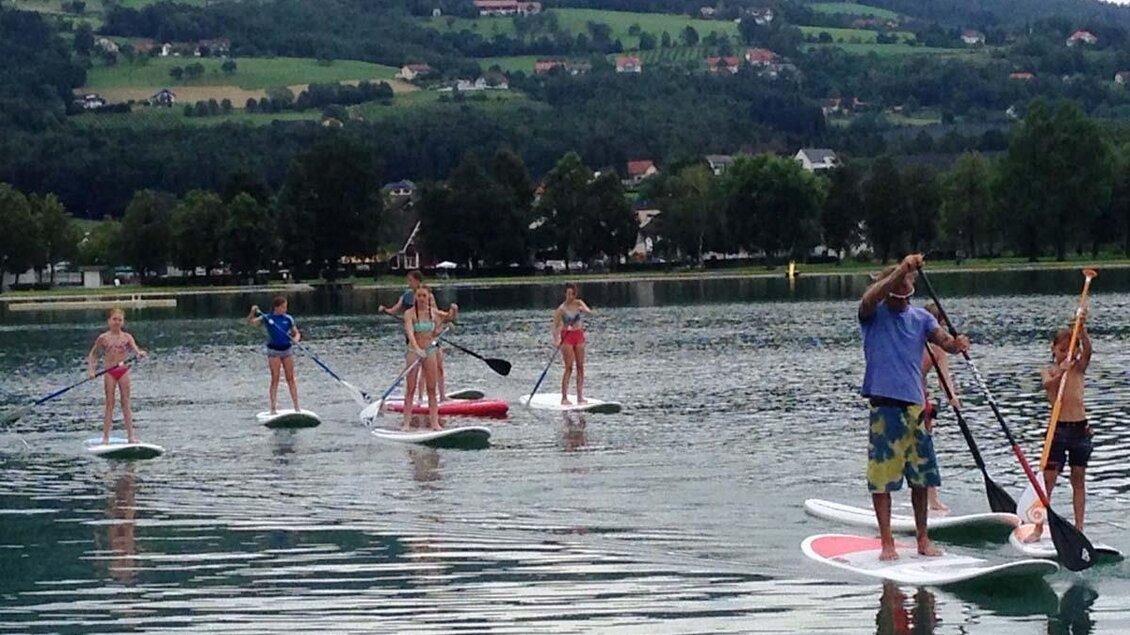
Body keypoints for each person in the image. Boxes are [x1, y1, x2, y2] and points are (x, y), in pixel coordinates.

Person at [859, 254, 969, 561]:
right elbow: (870, 296)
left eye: (908, 283)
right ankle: (887, 543)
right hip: (884, 407)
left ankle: (923, 539)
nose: (905, 290)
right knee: (882, 479)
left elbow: (944, 342)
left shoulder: (921, 318)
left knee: (922, 477)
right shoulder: (872, 313)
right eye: (900, 283)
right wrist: (901, 269)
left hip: (915, 408)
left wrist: (957, 345)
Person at [1027, 320, 1093, 541]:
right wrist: (1060, 373)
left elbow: (1089, 352)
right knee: (1048, 480)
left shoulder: (1078, 368)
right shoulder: (1049, 370)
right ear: (1053, 349)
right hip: (1058, 430)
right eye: (1062, 350)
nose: (1066, 354)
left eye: (1070, 350)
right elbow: (1048, 385)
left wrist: (1082, 334)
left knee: (1078, 479)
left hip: (1080, 430)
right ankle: (1038, 527)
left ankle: (1080, 526)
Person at [381, 271, 456, 401]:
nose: (408, 283)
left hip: (430, 335)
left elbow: (436, 315)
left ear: (417, 281)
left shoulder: (428, 296)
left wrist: (442, 325)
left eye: (410, 280)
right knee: (420, 367)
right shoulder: (406, 295)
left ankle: (442, 396)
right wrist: (384, 310)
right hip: (414, 337)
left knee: (438, 365)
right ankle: (420, 397)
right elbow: (395, 309)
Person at [920, 301, 961, 513]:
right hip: (904, 398)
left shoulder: (939, 349)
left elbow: (944, 376)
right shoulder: (911, 339)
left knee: (927, 448)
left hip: (922, 399)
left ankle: (932, 498)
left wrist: (952, 397)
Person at [87, 307, 147, 444]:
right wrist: (91, 370)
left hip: (123, 371)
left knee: (126, 403)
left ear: (123, 322)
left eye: (119, 320)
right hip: (110, 372)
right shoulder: (103, 338)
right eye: (114, 319)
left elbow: (136, 350)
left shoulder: (127, 337)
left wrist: (140, 353)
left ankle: (131, 436)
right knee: (110, 403)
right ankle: (106, 437)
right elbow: (93, 354)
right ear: (109, 321)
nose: (117, 322)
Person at [402, 286, 455, 431]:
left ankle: (434, 423)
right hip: (414, 352)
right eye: (418, 296)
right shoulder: (409, 314)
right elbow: (410, 333)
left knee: (432, 388)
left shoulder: (434, 313)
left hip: (430, 351)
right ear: (415, 297)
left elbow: (449, 318)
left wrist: (454, 311)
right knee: (411, 388)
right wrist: (417, 349)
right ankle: (406, 423)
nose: (421, 299)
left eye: (424, 296)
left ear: (428, 298)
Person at [247, 296, 301, 415]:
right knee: (275, 379)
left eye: (286, 307)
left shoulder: (288, 319)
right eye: (283, 307)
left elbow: (296, 333)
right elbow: (250, 323)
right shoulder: (267, 318)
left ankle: (297, 407)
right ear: (276, 307)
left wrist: (296, 339)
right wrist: (252, 312)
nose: (285, 309)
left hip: (287, 350)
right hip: (274, 351)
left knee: (290, 379)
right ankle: (273, 408)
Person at [552, 283, 594, 405]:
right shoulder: (561, 309)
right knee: (569, 367)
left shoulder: (578, 303)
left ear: (575, 294)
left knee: (580, 367)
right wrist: (556, 340)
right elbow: (555, 327)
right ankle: (564, 397)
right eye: (568, 294)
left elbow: (589, 312)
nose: (570, 296)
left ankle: (580, 396)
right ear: (565, 294)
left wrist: (584, 310)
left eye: (572, 294)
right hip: (567, 337)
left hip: (578, 335)